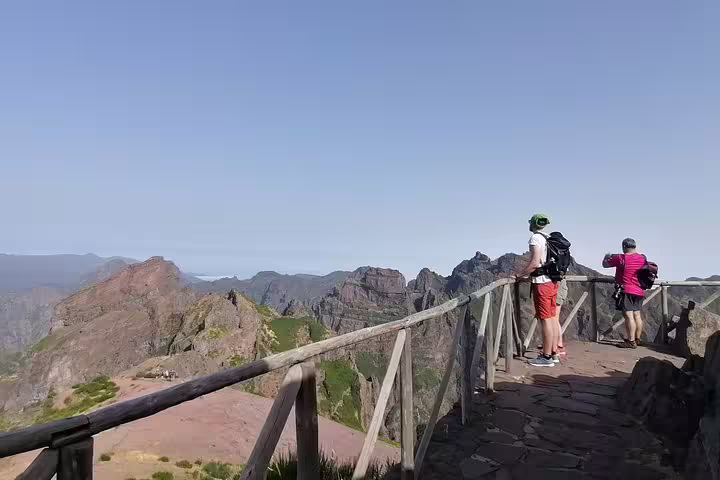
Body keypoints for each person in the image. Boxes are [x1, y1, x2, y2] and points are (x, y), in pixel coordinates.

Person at [514, 214, 560, 367]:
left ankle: (546, 357)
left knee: (545, 319)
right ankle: (553, 353)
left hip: (542, 283)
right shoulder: (548, 238)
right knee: (552, 317)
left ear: (533, 224)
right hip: (552, 281)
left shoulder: (536, 239)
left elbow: (534, 263)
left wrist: (519, 275)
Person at [603, 238, 645, 349]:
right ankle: (637, 339)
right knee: (637, 315)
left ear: (624, 247)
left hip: (627, 290)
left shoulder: (621, 258)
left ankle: (630, 342)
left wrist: (607, 256)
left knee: (628, 316)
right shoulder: (642, 258)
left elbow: (605, 265)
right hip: (639, 290)